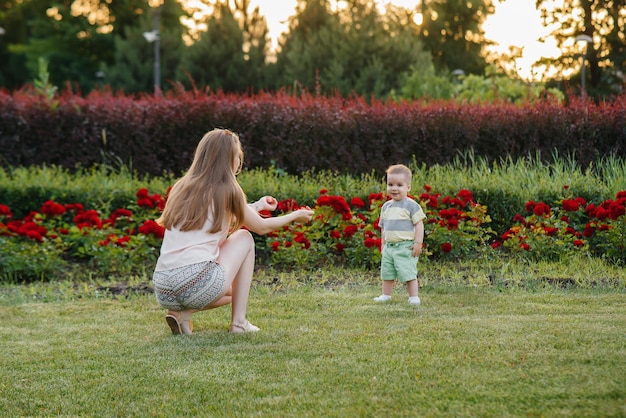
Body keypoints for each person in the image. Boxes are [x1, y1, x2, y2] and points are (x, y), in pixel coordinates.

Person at [152, 128, 314, 335]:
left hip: (163, 287)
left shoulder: (181, 187)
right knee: (245, 237)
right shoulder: (228, 189)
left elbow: (222, 218)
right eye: (238, 155)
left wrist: (257, 205)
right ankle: (239, 323)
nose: (239, 160)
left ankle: (180, 314)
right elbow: (261, 227)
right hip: (195, 281)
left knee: (234, 292)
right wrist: (295, 215)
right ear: (230, 159)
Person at [373, 164, 426, 305]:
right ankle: (386, 295)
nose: (394, 188)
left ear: (408, 187)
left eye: (399, 185)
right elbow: (383, 227)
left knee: (408, 271)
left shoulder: (411, 205)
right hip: (389, 247)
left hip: (405, 246)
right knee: (387, 272)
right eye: (390, 184)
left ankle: (413, 297)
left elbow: (419, 224)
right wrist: (383, 244)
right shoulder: (386, 206)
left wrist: (418, 243)